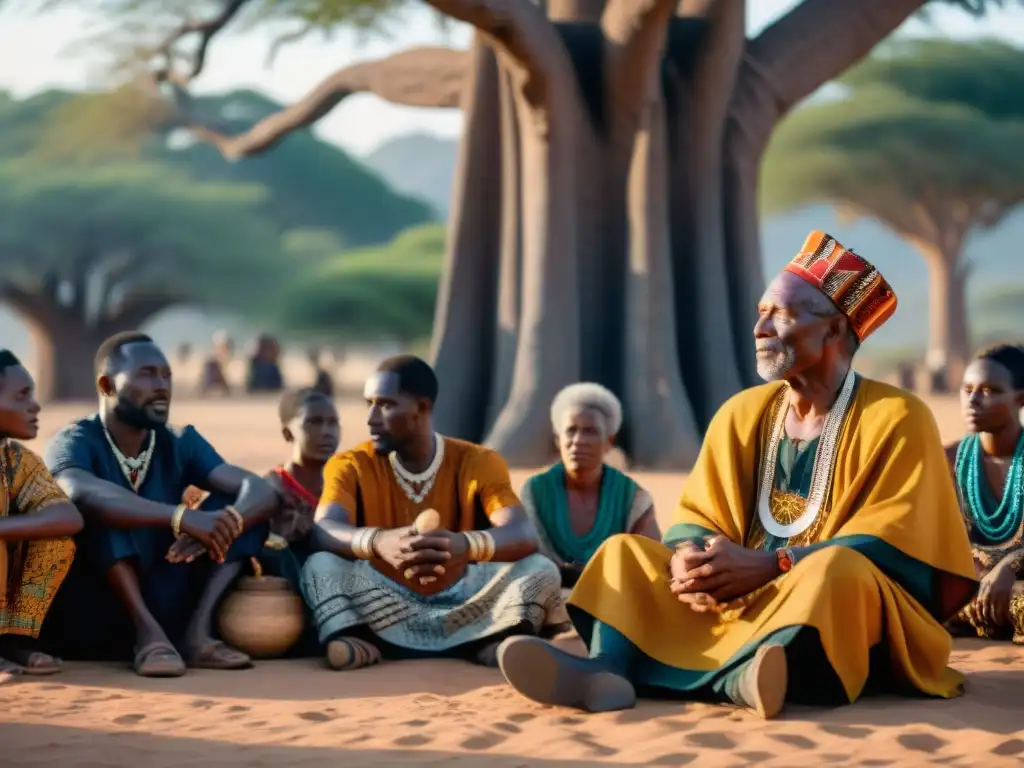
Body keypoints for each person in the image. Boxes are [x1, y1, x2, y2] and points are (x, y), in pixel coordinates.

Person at [497, 230, 978, 719]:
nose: (759, 328)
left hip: (827, 603)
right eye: (760, 312)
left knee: (838, 572)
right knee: (624, 553)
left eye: (780, 314)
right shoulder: (741, 412)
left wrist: (777, 564)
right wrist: (692, 558)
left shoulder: (898, 414)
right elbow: (699, 514)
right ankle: (608, 668)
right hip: (731, 598)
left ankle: (746, 678)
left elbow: (897, 541)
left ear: (833, 330)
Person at [300, 354, 564, 670]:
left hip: (466, 598)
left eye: (385, 405)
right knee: (319, 565)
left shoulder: (478, 461)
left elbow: (522, 533)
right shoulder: (349, 465)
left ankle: (493, 637)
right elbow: (325, 527)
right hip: (384, 599)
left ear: (422, 408)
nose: (371, 418)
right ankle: (358, 637)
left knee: (540, 569)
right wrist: (377, 542)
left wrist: (465, 546)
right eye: (368, 403)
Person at [43, 332, 276, 677]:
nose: (162, 386)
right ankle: (147, 635)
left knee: (240, 509)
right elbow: (77, 489)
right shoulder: (75, 440)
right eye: (147, 374)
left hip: (168, 589)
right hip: (100, 610)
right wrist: (181, 518)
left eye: (166, 375)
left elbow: (259, 488)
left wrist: (219, 525)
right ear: (106, 385)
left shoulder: (180, 440)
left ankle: (197, 635)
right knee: (100, 508)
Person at [520, 383, 659, 587]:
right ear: (559, 440)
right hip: (547, 596)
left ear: (609, 441)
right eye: (571, 431)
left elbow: (653, 559)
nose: (578, 441)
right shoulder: (535, 491)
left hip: (612, 599)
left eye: (590, 431)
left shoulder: (632, 497)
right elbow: (523, 557)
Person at [0, 351, 83, 682]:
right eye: (22, 396)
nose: (35, 406)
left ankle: (10, 643)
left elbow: (67, 516)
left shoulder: (15, 458)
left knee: (56, 541)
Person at [945, 344, 1024, 644]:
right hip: (964, 590)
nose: (973, 400)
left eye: (990, 390)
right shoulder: (947, 460)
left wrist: (1010, 564)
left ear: (1020, 398)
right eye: (967, 389)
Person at [262, 388, 341, 593]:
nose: (326, 432)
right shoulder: (272, 489)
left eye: (333, 423)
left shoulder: (344, 487)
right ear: (288, 432)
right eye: (314, 422)